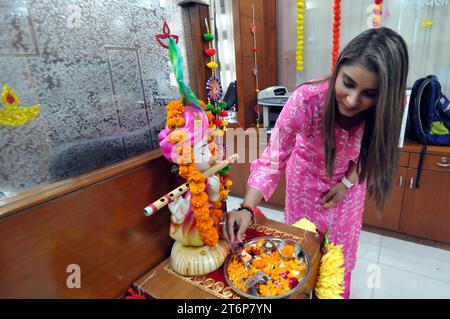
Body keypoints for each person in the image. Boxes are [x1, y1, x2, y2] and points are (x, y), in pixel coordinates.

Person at [221, 27, 409, 298]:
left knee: (335, 266)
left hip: (347, 196)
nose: (353, 100)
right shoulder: (307, 101)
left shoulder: (388, 108)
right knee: (297, 263)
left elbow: (372, 150)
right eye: (348, 83)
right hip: (304, 190)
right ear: (338, 68)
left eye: (369, 93)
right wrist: (248, 208)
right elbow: (274, 156)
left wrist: (347, 181)